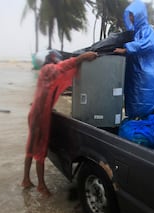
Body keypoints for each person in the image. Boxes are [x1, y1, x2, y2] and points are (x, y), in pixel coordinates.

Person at [22, 50, 98, 197]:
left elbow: (48, 91)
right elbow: (62, 67)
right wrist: (81, 58)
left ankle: (26, 179)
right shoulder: (49, 69)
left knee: (31, 147)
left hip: (37, 113)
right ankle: (41, 186)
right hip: (40, 117)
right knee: (40, 150)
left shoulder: (45, 74)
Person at [114, 0, 154, 119]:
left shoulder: (147, 30)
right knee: (136, 95)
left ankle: (150, 117)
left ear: (139, 14)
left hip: (149, 74)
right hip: (138, 73)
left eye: (132, 14)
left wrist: (125, 49)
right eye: (129, 15)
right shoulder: (136, 32)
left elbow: (148, 43)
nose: (130, 17)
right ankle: (137, 117)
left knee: (147, 96)